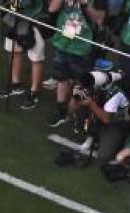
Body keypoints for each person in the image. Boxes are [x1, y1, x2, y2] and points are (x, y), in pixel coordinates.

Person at [46, 0, 107, 128]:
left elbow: (99, 20)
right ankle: (61, 111)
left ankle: (75, 112)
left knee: (81, 83)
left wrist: (84, 4)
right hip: (63, 43)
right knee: (61, 78)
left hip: (83, 49)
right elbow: (52, 8)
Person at [0, 0, 48, 109]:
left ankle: (34, 93)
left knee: (36, 58)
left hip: (34, 18)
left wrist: (16, 3)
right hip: (13, 17)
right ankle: (16, 84)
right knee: (13, 50)